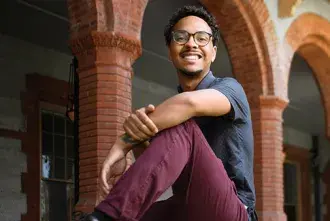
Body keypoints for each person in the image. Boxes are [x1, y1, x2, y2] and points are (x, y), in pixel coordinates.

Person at [83, 5, 257, 221]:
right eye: (181, 37)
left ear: (213, 52)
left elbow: (189, 104)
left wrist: (123, 143)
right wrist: (139, 140)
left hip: (233, 211)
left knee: (181, 124)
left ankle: (106, 217)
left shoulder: (231, 90)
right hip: (187, 207)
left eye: (202, 38)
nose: (191, 43)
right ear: (170, 51)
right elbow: (158, 164)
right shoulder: (170, 114)